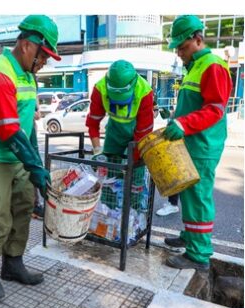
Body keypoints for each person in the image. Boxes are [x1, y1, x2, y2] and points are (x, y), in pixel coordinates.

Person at [0, 15, 60, 301]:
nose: (45, 63)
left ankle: (13, 263)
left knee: (23, 202)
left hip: (13, 148)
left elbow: (26, 127)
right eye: (44, 56)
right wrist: (34, 167)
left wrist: (36, 167)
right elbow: (8, 131)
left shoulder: (28, 75)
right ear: (29, 46)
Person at [163, 15, 232, 271]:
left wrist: (182, 124)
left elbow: (215, 109)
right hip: (192, 143)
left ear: (198, 39)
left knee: (199, 196)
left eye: (183, 46)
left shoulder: (212, 65)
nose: (179, 52)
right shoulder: (196, 66)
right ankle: (191, 236)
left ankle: (199, 254)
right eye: (178, 47)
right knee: (190, 194)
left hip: (203, 144)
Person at [85, 60, 154, 162]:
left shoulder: (144, 91)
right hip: (114, 132)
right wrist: (97, 150)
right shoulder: (100, 88)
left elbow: (144, 131)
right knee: (112, 169)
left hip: (136, 132)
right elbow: (93, 123)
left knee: (134, 170)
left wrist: (132, 162)